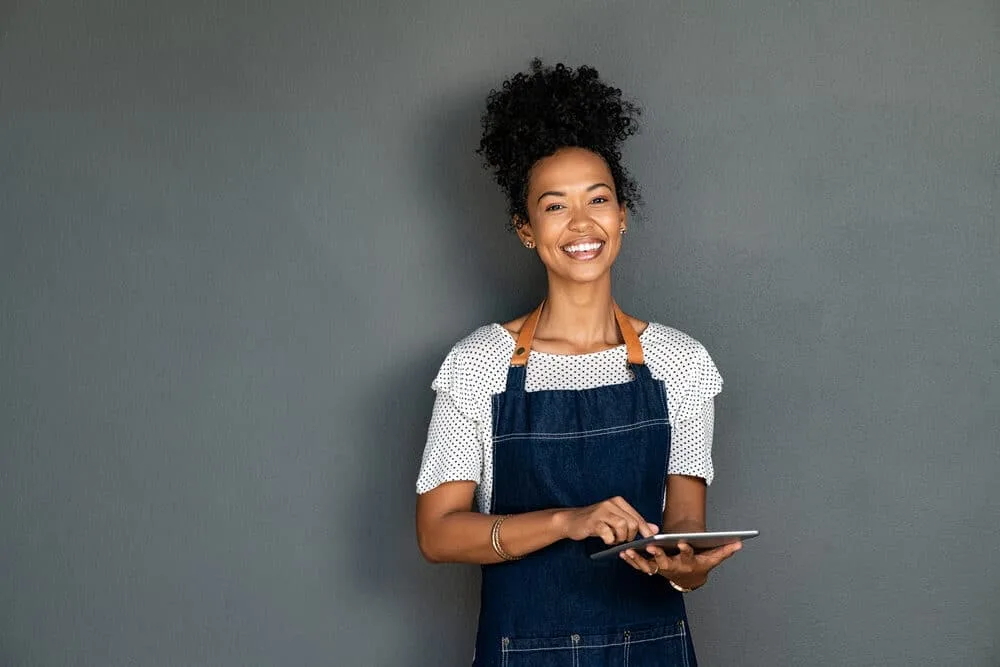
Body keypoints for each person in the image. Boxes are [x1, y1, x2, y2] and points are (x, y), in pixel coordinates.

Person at [415, 60, 741, 667]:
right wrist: (570, 520)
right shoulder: (478, 365)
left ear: (623, 215)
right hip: (523, 653)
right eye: (555, 206)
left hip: (653, 649)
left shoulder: (682, 363)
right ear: (525, 229)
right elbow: (437, 534)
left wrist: (689, 570)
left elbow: (686, 530)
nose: (582, 223)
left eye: (598, 199)